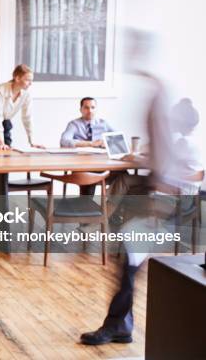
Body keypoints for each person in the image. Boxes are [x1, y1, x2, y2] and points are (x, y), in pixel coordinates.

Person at [80, 93, 204, 345]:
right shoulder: (183, 143)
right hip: (167, 208)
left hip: (172, 211)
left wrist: (155, 214)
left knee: (128, 262)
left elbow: (182, 181)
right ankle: (119, 325)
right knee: (127, 262)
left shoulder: (184, 145)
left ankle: (117, 325)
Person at [0, 64, 42, 195]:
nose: (30, 84)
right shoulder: (1, 89)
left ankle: (1, 192)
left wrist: (32, 140)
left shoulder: (26, 95)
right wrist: (0, 141)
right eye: (28, 80)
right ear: (17, 78)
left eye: (31, 80)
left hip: (6, 123)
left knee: (5, 158)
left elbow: (27, 117)